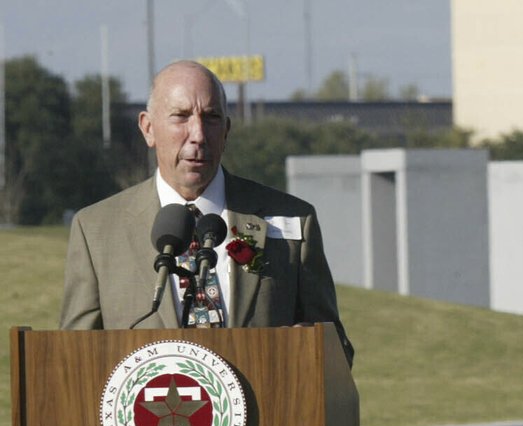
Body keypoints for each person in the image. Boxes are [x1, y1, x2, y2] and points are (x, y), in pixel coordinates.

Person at [60, 60, 352, 364]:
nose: (198, 134)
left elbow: (338, 353)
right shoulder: (96, 231)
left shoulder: (293, 220)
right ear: (148, 128)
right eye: (181, 116)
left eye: (211, 117)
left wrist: (313, 347)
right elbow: (71, 361)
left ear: (226, 130)